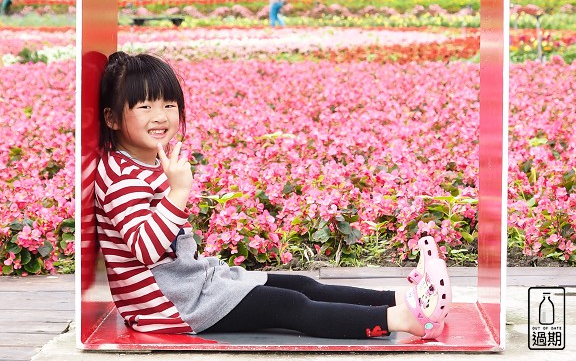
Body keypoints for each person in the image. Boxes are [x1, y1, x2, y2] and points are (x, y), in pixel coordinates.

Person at [95, 51, 452, 340]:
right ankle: (405, 319)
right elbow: (144, 249)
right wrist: (179, 191)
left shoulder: (139, 163)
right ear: (112, 119)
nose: (160, 116)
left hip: (191, 286)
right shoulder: (122, 178)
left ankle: (404, 299)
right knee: (290, 306)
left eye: (168, 105)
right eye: (144, 107)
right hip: (173, 307)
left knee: (300, 284)